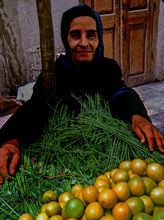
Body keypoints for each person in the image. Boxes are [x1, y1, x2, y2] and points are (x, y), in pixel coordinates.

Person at [0, 4, 163, 185]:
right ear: (65, 38)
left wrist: (137, 115)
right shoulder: (54, 74)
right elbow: (35, 107)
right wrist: (11, 140)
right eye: (75, 35)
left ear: (99, 38)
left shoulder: (108, 68)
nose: (84, 43)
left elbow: (120, 92)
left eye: (91, 35)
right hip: (65, 153)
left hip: (106, 148)